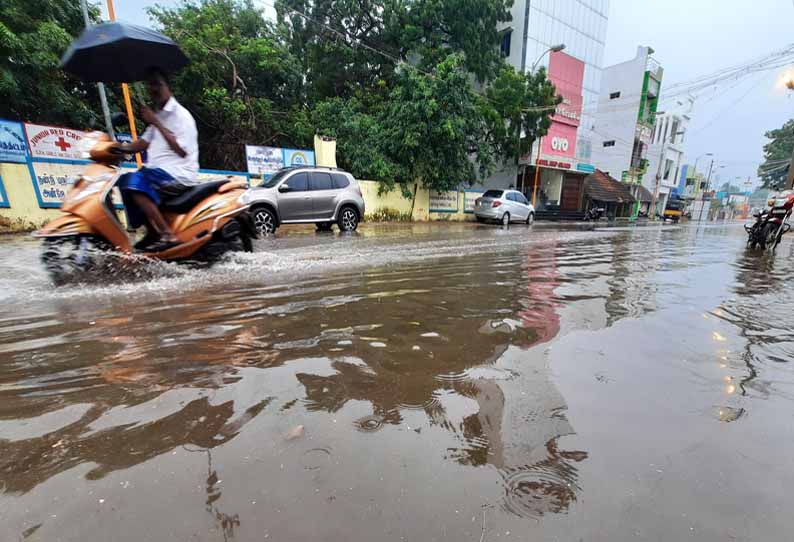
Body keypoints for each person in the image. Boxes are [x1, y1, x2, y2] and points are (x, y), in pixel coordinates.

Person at [116, 67, 199, 251]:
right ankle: (152, 231)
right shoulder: (159, 114)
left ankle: (167, 235)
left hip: (178, 174)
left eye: (158, 84)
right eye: (150, 85)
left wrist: (155, 122)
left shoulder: (181, 116)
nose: (154, 89)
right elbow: (143, 143)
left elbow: (181, 151)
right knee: (123, 181)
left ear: (168, 87)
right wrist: (118, 148)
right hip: (158, 173)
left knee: (135, 181)